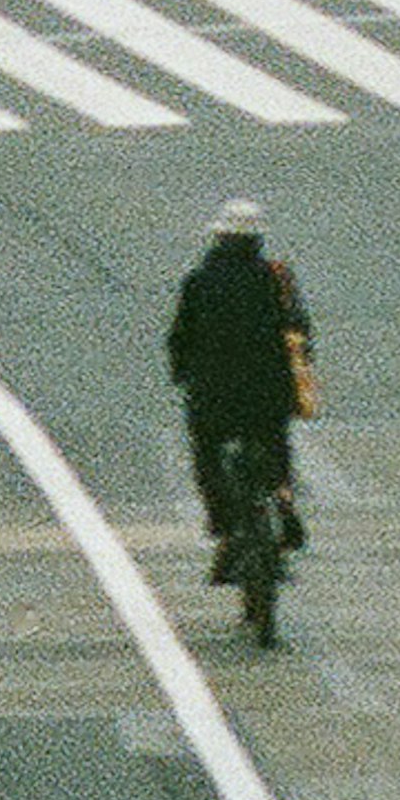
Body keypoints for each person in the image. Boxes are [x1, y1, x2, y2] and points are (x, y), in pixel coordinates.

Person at [165, 202, 309, 584]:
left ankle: (225, 525)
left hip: (215, 395)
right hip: (269, 391)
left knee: (207, 453)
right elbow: (299, 333)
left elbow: (180, 338)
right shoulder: (276, 278)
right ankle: (283, 499)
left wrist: (183, 373)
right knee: (276, 445)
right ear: (257, 239)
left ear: (219, 237)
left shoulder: (199, 281)